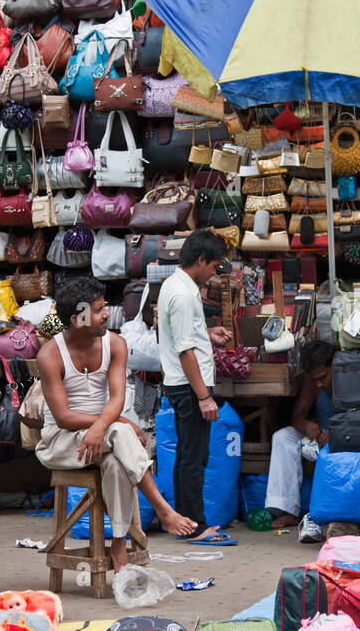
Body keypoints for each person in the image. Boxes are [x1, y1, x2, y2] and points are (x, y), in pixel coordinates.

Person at [36, 277, 195, 571]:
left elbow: (117, 398)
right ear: (77, 318)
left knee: (115, 462)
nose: (107, 314)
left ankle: (118, 541)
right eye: (97, 310)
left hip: (104, 437)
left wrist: (103, 427)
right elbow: (64, 417)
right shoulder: (50, 354)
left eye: (104, 307)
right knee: (120, 431)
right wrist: (111, 423)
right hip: (61, 441)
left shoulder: (116, 344)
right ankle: (163, 510)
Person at [158, 229, 233, 545]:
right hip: (189, 387)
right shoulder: (185, 294)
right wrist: (204, 396)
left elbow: (183, 336)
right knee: (194, 457)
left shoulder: (173, 285)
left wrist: (207, 334)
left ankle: (181, 521)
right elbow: (185, 351)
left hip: (181, 384)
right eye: (214, 266)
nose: (215, 273)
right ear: (201, 260)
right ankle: (195, 526)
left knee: (187, 454)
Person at [263, 339, 335, 541]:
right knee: (282, 437)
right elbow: (297, 416)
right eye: (315, 380)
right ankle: (287, 510)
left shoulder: (346, 375)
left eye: (323, 378)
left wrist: (337, 430)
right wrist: (307, 425)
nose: (319, 384)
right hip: (318, 437)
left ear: (332, 367)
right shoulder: (310, 382)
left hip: (343, 435)